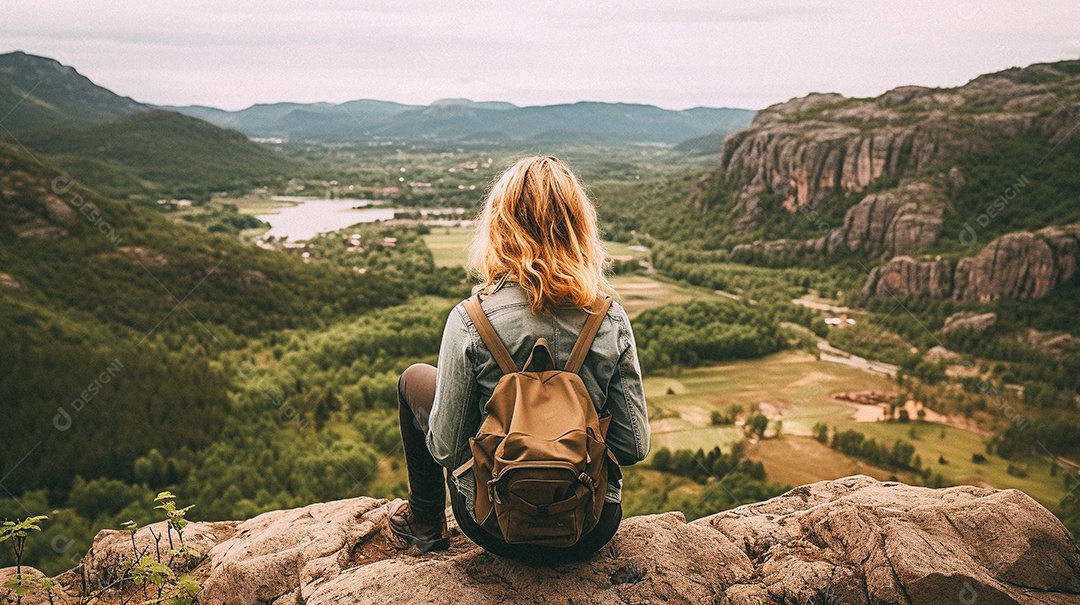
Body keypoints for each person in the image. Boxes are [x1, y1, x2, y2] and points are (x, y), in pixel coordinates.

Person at [388, 155, 650, 560]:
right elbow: (633, 446)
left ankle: (425, 525)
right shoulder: (609, 318)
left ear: (500, 226)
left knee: (413, 379)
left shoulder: (470, 319)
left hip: (493, 526)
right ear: (579, 227)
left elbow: (446, 448)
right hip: (590, 526)